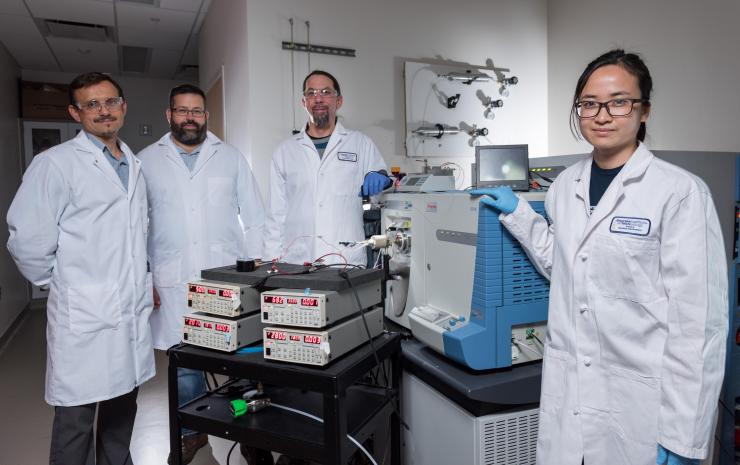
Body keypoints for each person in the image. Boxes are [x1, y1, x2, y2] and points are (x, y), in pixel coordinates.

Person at [471, 50, 728, 465]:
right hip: (570, 395)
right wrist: (518, 213)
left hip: (642, 407)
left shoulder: (679, 192)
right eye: (589, 104)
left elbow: (698, 327)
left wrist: (684, 438)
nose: (602, 115)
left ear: (644, 111)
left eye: (619, 101)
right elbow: (566, 265)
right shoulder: (565, 186)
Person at [7, 72, 155, 465]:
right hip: (85, 311)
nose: (103, 111)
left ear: (123, 106)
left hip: (128, 307)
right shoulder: (55, 164)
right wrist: (65, 283)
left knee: (123, 409)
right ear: (76, 112)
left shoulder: (134, 164)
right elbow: (27, 239)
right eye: (92, 104)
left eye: (110, 102)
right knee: (77, 417)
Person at [137, 84, 266, 464]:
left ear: (206, 116)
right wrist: (146, 277)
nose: (190, 117)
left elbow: (256, 219)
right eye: (182, 111)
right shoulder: (147, 160)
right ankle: (194, 434)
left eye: (197, 111)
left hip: (227, 279)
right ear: (169, 115)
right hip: (172, 279)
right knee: (185, 363)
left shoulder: (230, 157)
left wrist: (255, 274)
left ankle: (251, 435)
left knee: (242, 360)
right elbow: (135, 227)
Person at [263, 70, 390, 266]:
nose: (318, 98)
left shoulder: (361, 144)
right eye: (311, 93)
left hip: (345, 259)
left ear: (338, 101)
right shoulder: (285, 151)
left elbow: (381, 198)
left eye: (325, 92)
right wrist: (270, 264)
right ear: (304, 102)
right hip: (297, 261)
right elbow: (275, 215)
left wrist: (382, 179)